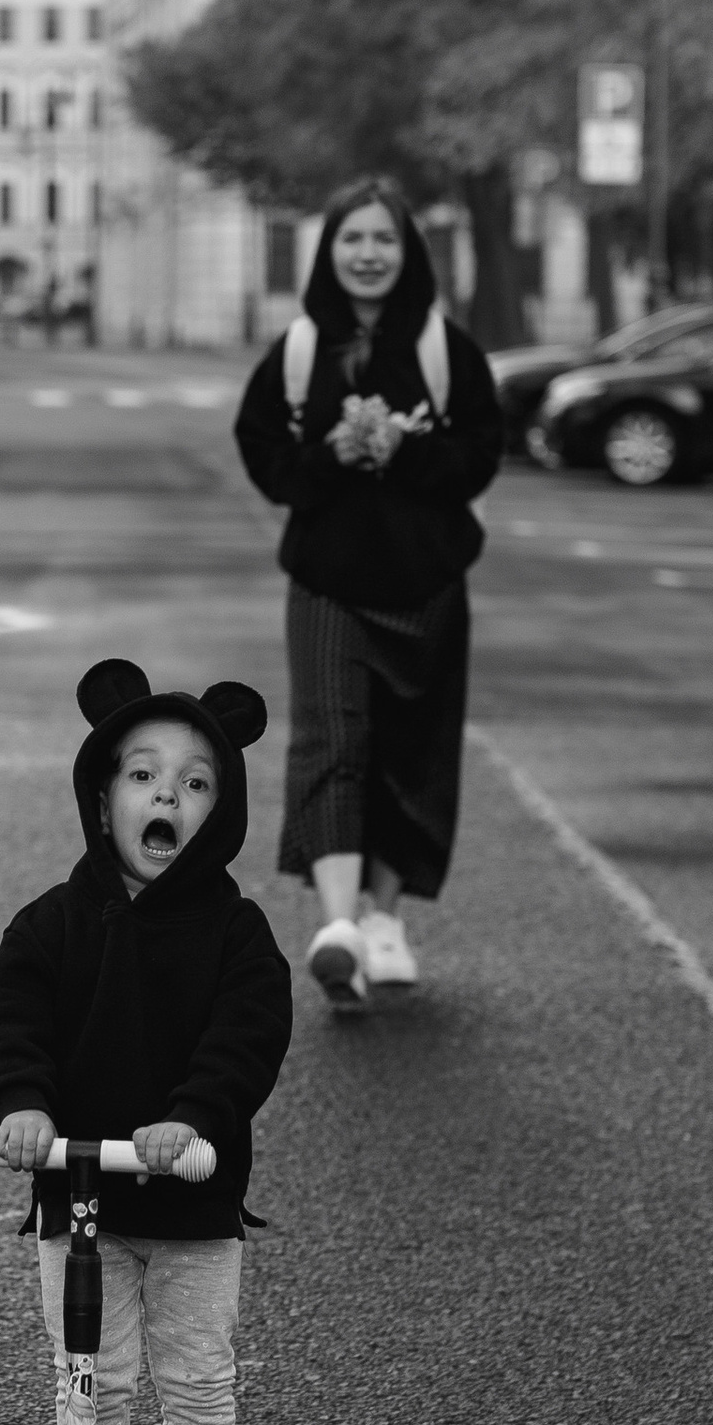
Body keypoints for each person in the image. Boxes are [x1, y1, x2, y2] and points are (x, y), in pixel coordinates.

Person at [0, 660, 294, 1425]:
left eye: (196, 783)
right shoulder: (52, 924)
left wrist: (192, 1120)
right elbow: (12, 1018)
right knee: (91, 1376)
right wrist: (21, 1108)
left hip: (191, 1208)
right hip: (78, 1205)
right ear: (102, 796)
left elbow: (247, 1036)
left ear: (221, 811)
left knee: (196, 1378)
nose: (168, 796)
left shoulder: (234, 934)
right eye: (144, 776)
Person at [234, 177, 504, 1009]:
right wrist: (333, 458)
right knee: (331, 743)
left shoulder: (443, 349)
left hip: (426, 583)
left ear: (406, 251)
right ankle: (339, 924)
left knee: (413, 752)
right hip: (327, 584)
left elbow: (480, 459)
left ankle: (387, 921)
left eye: (383, 239)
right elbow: (265, 458)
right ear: (331, 251)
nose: (368, 254)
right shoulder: (302, 349)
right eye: (353, 239)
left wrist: (403, 450)